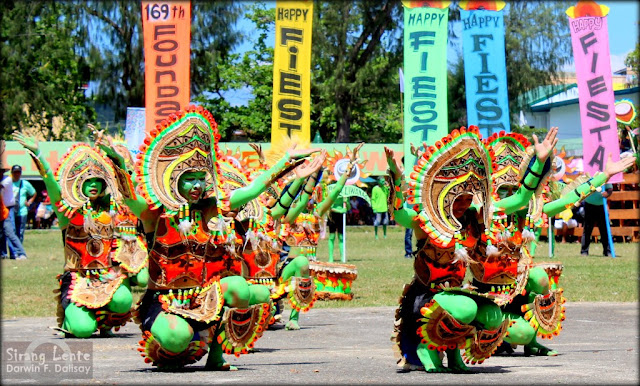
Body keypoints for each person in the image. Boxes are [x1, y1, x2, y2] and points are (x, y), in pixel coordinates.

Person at [1, 164, 27, 260]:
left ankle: (18, 253)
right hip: (2, 209)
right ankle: (3, 254)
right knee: (1, 234)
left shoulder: (6, 180)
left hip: (8, 208)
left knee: (11, 232)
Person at [581, 182, 614, 256]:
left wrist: (607, 193)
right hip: (588, 204)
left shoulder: (604, 176)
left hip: (601, 205)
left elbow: (610, 189)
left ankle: (607, 251)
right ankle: (584, 251)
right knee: (587, 229)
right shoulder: (588, 177)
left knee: (604, 229)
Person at [9, 165, 36, 241]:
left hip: (22, 211)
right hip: (10, 211)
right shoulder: (8, 183)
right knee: (11, 232)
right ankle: (13, 251)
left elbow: (34, 193)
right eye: (15, 172)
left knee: (20, 232)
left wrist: (30, 201)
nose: (17, 174)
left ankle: (19, 250)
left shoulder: (25, 184)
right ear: (12, 173)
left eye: (18, 172)